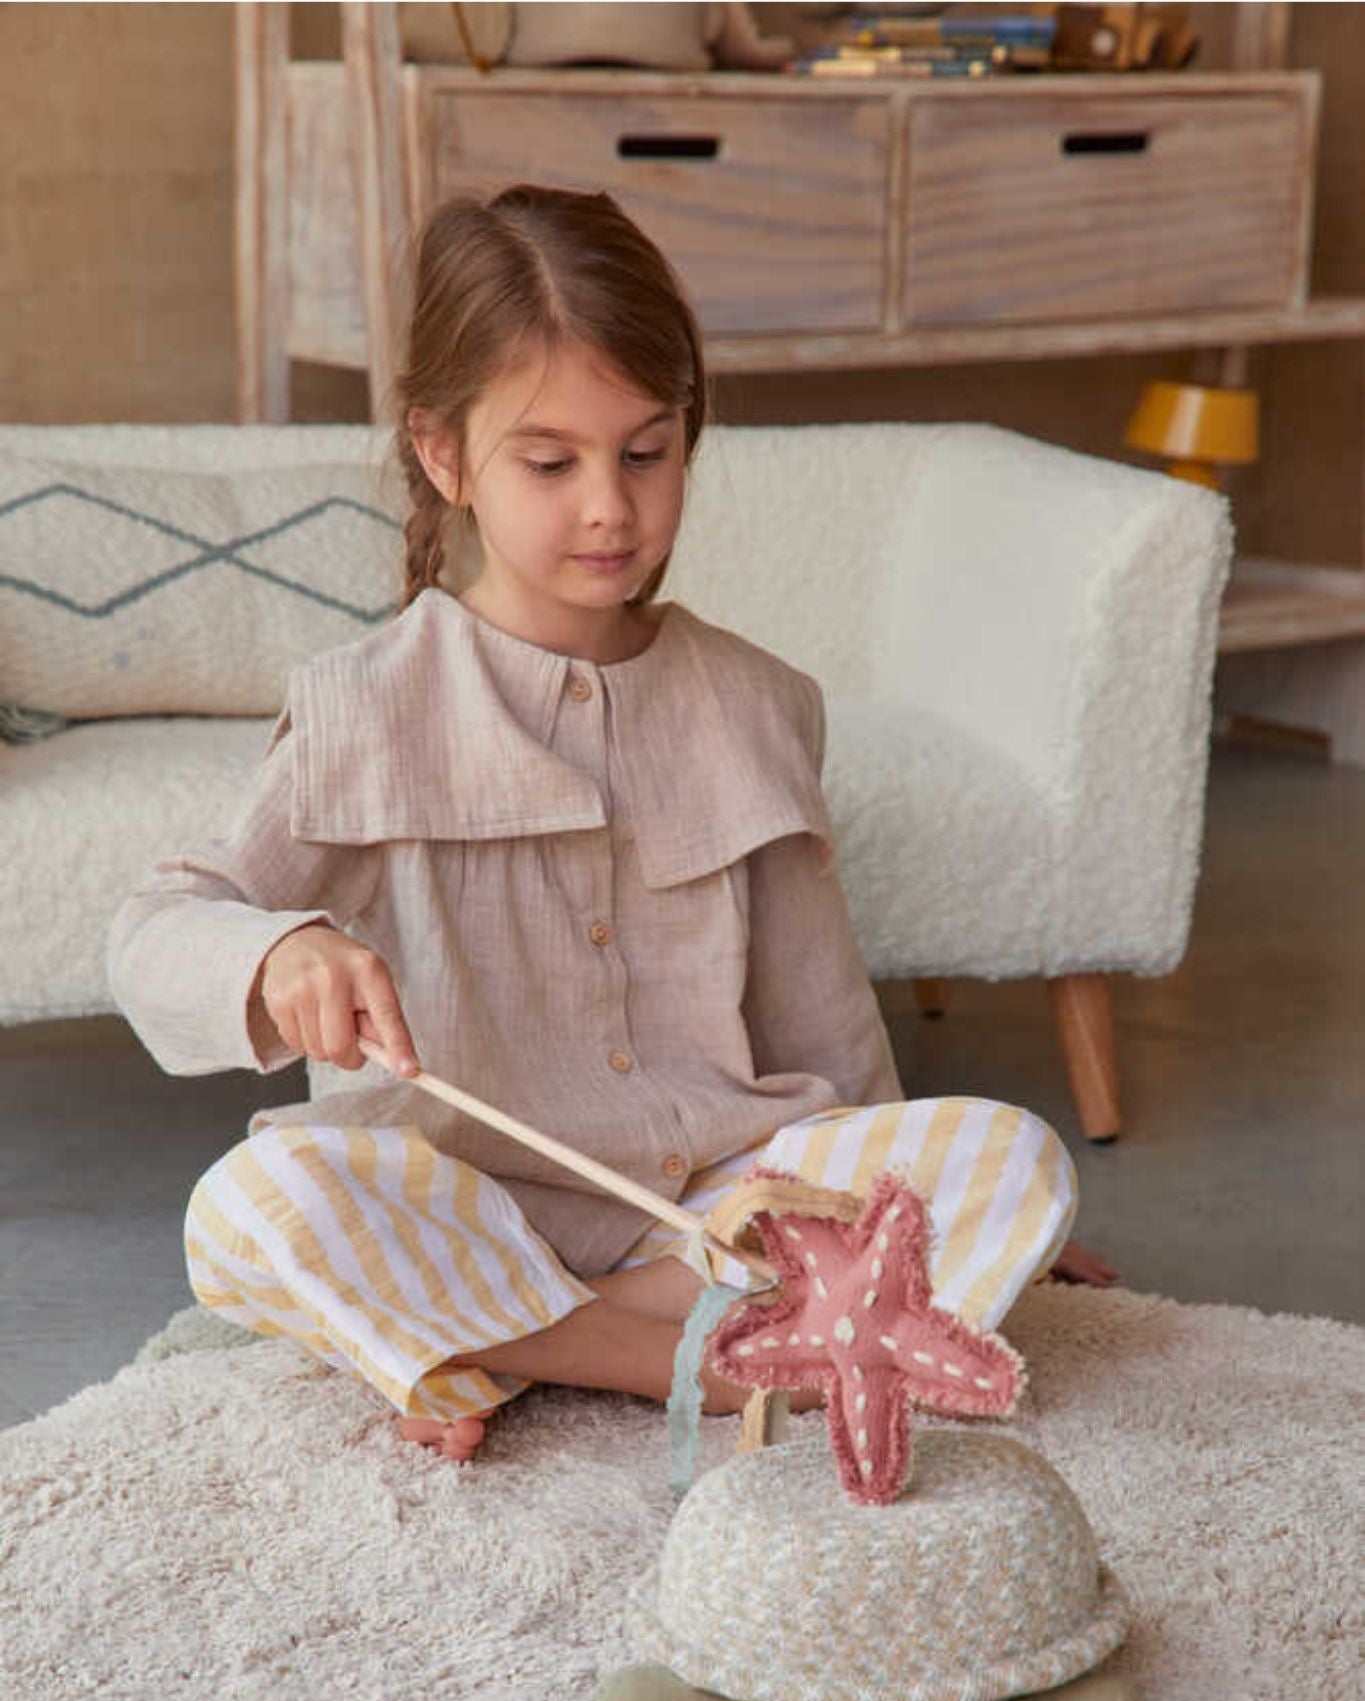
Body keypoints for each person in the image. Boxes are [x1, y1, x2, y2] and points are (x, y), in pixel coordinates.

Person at [107, 184, 1113, 1468]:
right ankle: (684, 1355)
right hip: (469, 1208)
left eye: (646, 452)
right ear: (442, 454)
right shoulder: (364, 707)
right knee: (250, 1207)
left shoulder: (759, 701)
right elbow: (154, 927)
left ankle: (510, 1341)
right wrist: (277, 950)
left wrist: (913, 1217)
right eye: (551, 463)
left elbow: (826, 1029)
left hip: (719, 1207)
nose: (610, 508)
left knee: (1018, 1157)